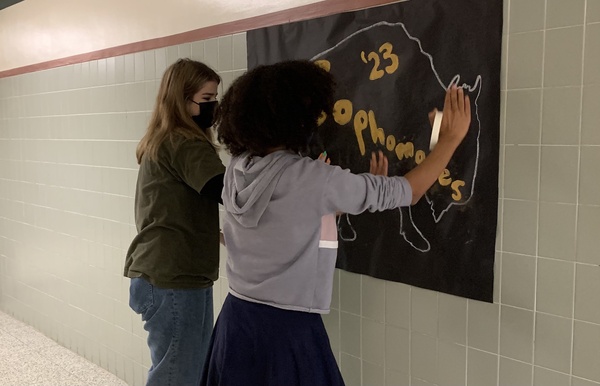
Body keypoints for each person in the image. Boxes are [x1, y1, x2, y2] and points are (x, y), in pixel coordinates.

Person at [202, 60, 471, 386]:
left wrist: (345, 197)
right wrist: (449, 140)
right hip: (288, 331)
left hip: (237, 320)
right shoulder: (311, 177)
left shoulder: (240, 167)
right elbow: (409, 192)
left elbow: (289, 219)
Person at [124, 58, 225, 386]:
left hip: (164, 274)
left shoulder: (163, 139)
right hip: (173, 278)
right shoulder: (185, 141)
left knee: (187, 372)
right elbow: (224, 190)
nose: (214, 107)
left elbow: (179, 205)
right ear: (182, 101)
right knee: (178, 377)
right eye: (207, 100)